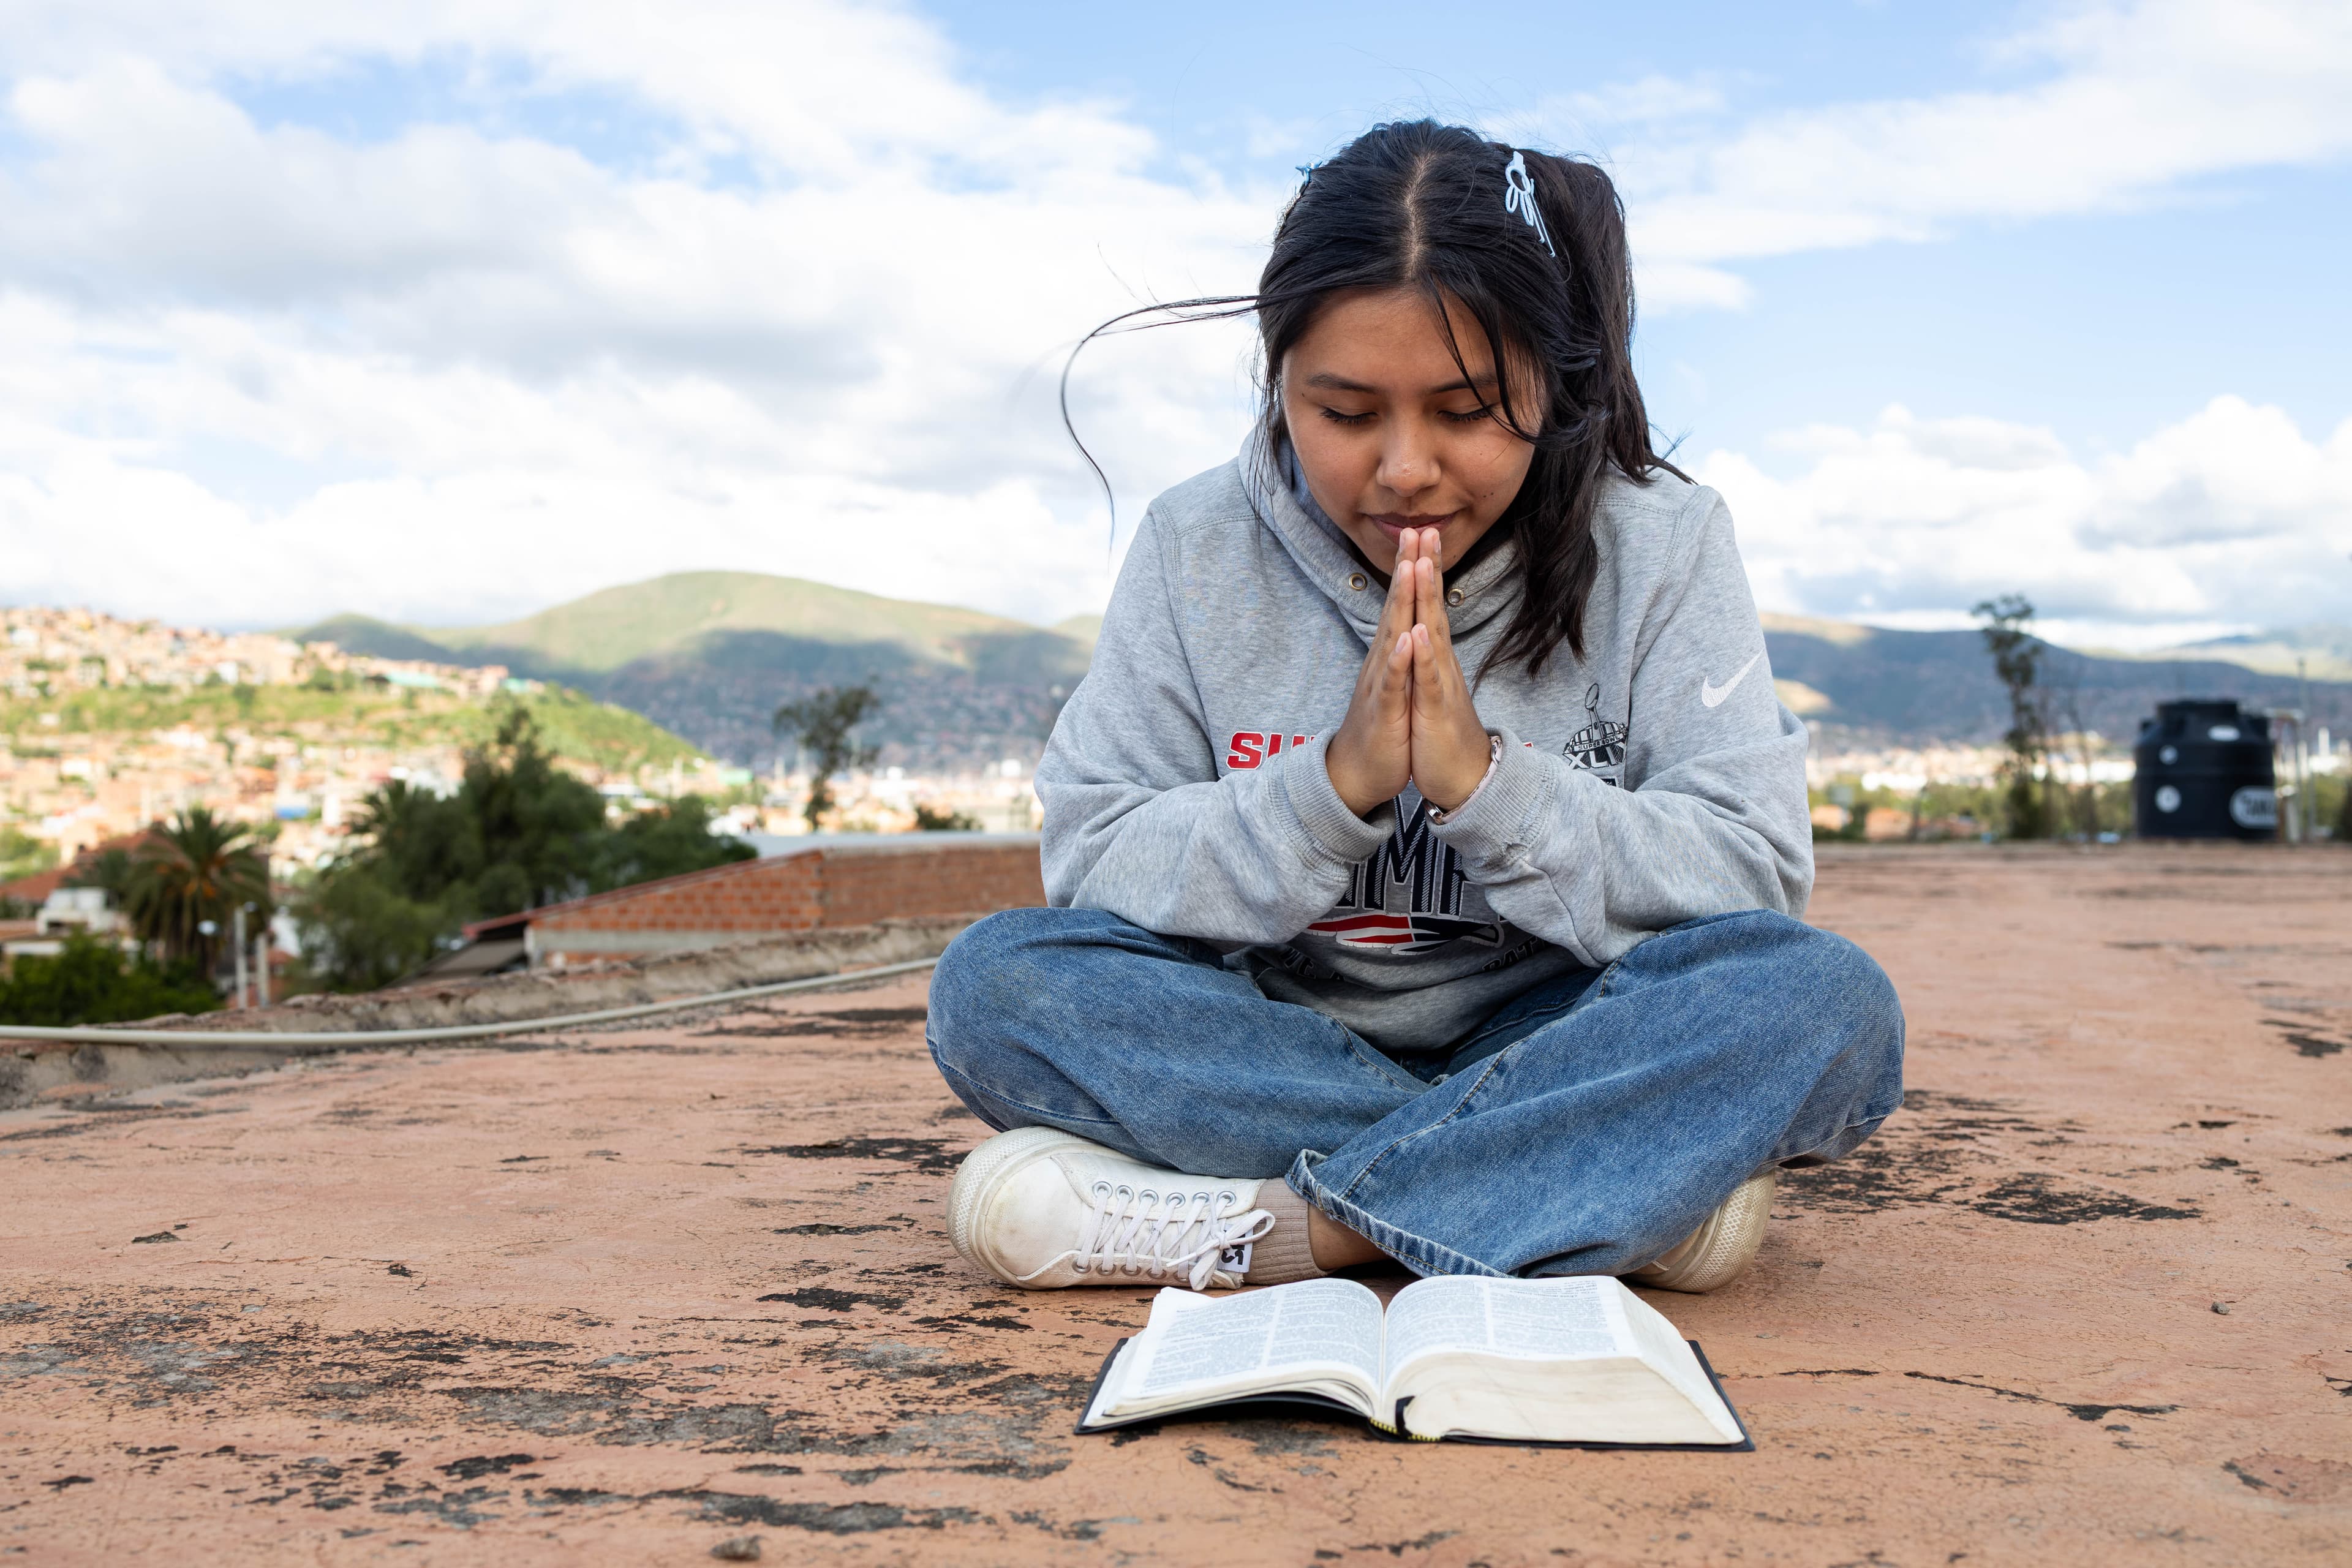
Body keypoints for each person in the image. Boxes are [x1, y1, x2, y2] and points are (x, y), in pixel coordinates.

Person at [926, 120, 1904, 1297]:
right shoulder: (1194, 544)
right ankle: (1604, 1190)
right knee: (999, 984)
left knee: (1821, 1002)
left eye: (1466, 410)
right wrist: (1330, 787)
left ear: (1555, 381)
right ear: (1279, 381)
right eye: (1343, 414)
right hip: (1264, 1036)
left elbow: (1750, 872)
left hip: (1558, 1032)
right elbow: (1093, 860)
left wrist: (1486, 784)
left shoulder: (1665, 542)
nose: (1403, 469)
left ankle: (1283, 1233)